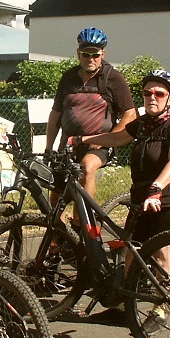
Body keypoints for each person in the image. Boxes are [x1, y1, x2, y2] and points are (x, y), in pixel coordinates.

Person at [78, 70, 170, 324]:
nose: (152, 97)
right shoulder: (143, 124)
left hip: (168, 198)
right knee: (131, 252)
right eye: (147, 92)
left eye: (159, 93)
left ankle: (164, 307)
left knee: (161, 254)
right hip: (142, 201)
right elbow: (118, 137)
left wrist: (157, 187)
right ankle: (125, 306)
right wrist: (84, 139)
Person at [46, 27, 136, 213]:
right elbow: (56, 114)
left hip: (98, 146)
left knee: (87, 167)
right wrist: (49, 148)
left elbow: (130, 113)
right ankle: (60, 237)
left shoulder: (114, 78)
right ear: (78, 53)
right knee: (55, 192)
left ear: (103, 53)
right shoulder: (68, 77)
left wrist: (110, 138)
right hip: (69, 144)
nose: (91, 59)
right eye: (86, 54)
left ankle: (84, 224)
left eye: (95, 55)